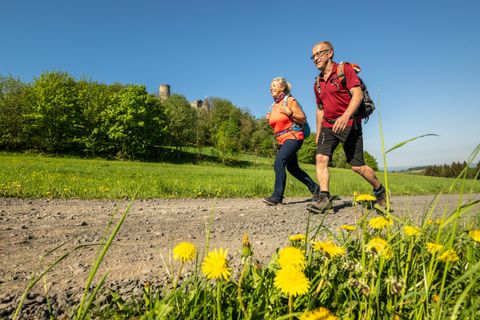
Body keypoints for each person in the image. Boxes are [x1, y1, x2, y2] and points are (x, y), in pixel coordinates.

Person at [307, 41, 387, 213]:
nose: (315, 58)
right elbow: (320, 109)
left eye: (319, 54)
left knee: (357, 167)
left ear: (330, 53)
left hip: (349, 124)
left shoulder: (344, 70)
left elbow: (357, 95)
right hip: (328, 125)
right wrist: (319, 130)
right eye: (312, 56)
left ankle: (380, 191)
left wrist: (345, 116)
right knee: (321, 158)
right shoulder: (318, 83)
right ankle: (324, 198)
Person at [263, 76, 320, 205]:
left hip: (294, 136)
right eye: (270, 86)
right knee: (293, 168)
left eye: (274, 85)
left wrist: (290, 113)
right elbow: (277, 124)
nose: (271, 87)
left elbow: (302, 118)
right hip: (282, 139)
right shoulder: (273, 106)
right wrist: (269, 120)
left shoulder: (289, 100)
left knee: (279, 161)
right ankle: (316, 189)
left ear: (282, 87)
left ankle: (277, 196)